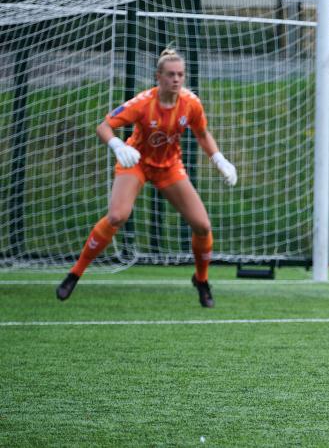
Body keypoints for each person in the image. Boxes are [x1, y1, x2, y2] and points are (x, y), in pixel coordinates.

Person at [56, 47, 238, 308]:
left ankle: (201, 279)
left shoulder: (191, 103)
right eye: (171, 74)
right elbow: (104, 127)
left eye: (180, 75)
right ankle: (75, 273)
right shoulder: (143, 103)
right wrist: (118, 146)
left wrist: (219, 159)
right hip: (137, 164)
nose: (176, 79)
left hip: (169, 167)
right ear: (158, 76)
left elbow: (202, 133)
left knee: (202, 226)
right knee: (118, 216)